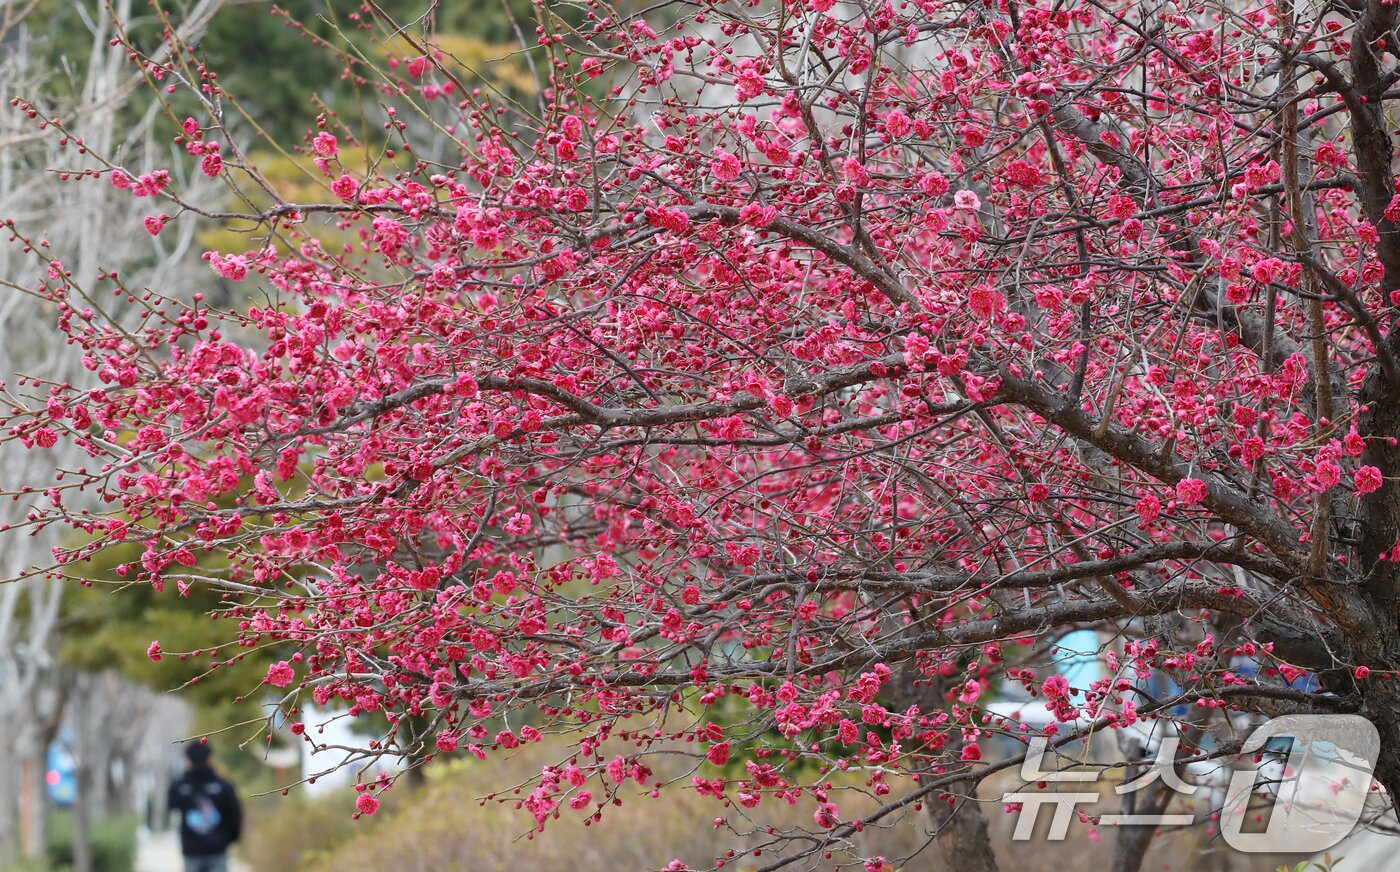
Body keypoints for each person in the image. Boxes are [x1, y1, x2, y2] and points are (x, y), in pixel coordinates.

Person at [167, 741, 242, 872]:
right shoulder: (223, 785)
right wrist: (229, 840)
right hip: (215, 850)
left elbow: (172, 806)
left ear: (188, 760)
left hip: (194, 851)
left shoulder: (179, 786)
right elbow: (235, 815)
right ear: (210, 759)